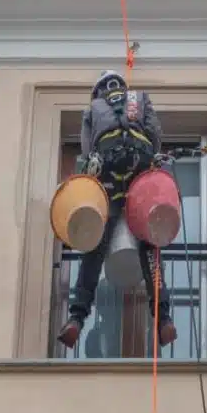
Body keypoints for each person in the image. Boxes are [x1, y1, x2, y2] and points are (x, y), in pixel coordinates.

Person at [56, 70, 178, 350]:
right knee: (149, 247)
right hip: (139, 172)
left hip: (109, 176)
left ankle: (76, 317)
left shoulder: (93, 109)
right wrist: (151, 160)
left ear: (98, 90)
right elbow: (155, 132)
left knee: (95, 248)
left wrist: (91, 168)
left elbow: (87, 150)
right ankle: (164, 318)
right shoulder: (141, 98)